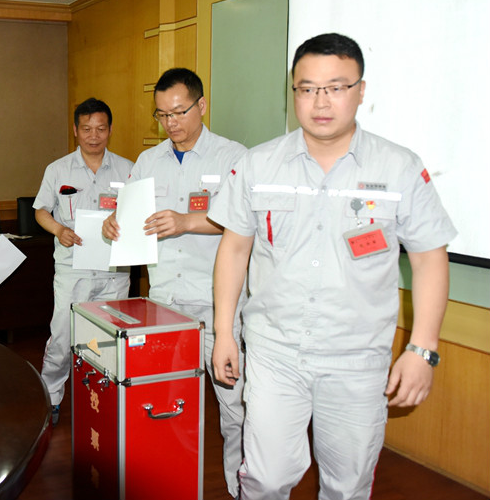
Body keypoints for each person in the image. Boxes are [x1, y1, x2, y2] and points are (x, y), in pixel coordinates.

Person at [209, 33, 456, 500]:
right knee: (265, 478)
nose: (320, 102)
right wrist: (225, 332)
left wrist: (422, 349)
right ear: (294, 92)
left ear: (361, 91)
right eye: (307, 89)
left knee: (347, 486)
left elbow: (429, 258)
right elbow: (234, 250)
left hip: (356, 358)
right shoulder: (259, 165)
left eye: (336, 87)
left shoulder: (400, 168)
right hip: (275, 352)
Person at [102, 68, 247, 497]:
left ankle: (240, 487)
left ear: (202, 105)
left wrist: (187, 221)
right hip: (165, 305)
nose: (171, 123)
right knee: (168, 403)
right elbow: (129, 214)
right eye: (162, 114)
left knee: (234, 406)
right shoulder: (148, 161)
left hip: (217, 306)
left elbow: (244, 223)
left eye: (179, 112)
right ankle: (175, 482)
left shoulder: (233, 158)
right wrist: (114, 223)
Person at [33, 98, 133, 425]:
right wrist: (58, 229)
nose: (94, 136)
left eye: (100, 129)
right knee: (62, 336)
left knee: (109, 339)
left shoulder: (128, 169)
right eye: (87, 129)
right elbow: (41, 211)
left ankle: (104, 400)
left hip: (114, 272)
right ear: (75, 130)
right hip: (72, 269)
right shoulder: (58, 169)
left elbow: (137, 214)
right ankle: (51, 397)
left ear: (110, 130)